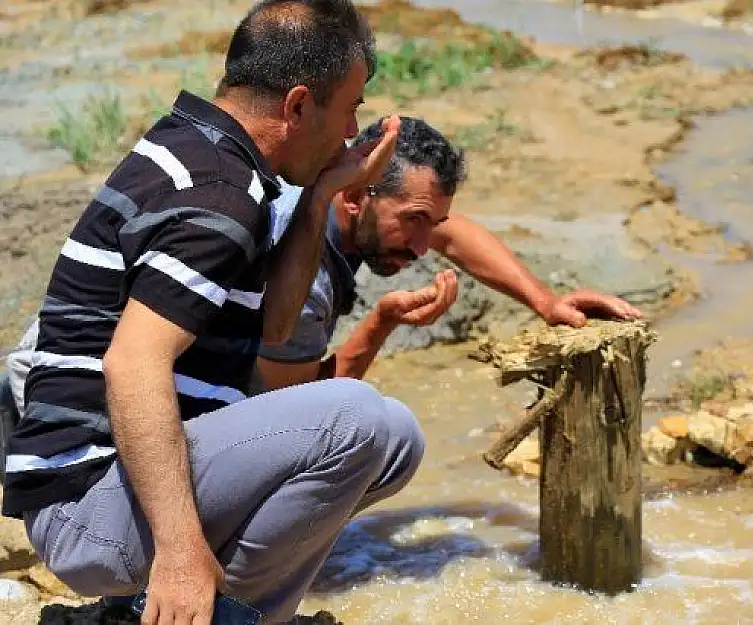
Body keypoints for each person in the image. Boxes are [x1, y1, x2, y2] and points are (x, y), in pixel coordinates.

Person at [0, 1, 416, 623]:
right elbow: (133, 363)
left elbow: (273, 328)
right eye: (351, 107)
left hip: (116, 484)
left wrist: (324, 191)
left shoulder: (213, 156)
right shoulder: (217, 193)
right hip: (85, 502)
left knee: (397, 437)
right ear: (299, 106)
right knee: (353, 419)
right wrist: (179, 552)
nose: (351, 131)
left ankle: (178, 607)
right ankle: (212, 610)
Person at [254, 115, 644, 391]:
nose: (424, 247)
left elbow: (453, 234)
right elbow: (300, 413)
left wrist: (546, 302)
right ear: (356, 196)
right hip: (218, 429)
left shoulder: (327, 190)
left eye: (432, 223)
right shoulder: (304, 279)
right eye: (414, 220)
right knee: (381, 433)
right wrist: (382, 322)